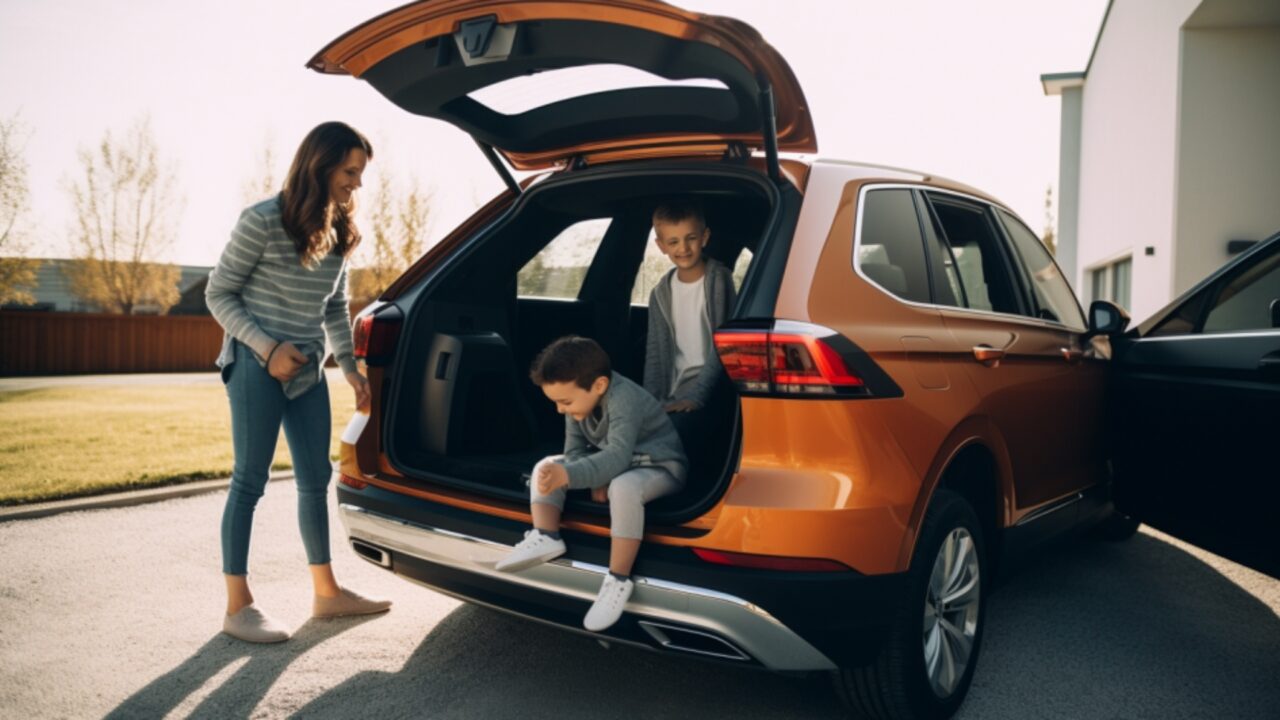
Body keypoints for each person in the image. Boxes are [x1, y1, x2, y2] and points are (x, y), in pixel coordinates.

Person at [206, 121, 390, 644]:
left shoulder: (339, 232)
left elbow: (333, 307)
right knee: (250, 480)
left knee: (315, 478)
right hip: (253, 363)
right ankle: (238, 606)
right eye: (350, 171)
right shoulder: (262, 220)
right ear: (321, 164)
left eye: (360, 174)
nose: (356, 183)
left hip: (308, 370)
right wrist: (267, 350)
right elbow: (219, 294)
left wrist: (350, 368)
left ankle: (327, 593)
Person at [495, 336, 687, 632]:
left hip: (659, 465)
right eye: (557, 402)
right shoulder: (578, 405)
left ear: (598, 385)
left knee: (623, 488)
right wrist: (585, 473)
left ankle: (618, 581)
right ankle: (545, 535)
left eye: (565, 402)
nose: (561, 410)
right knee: (546, 465)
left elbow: (618, 455)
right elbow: (574, 451)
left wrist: (578, 475)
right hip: (618, 462)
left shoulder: (625, 399)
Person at [643, 199, 737, 416]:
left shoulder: (719, 281)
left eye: (691, 238)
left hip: (710, 389)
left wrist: (697, 397)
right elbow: (655, 352)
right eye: (673, 242)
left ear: (704, 238)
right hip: (673, 389)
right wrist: (650, 402)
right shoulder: (660, 293)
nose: (683, 248)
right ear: (662, 246)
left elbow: (724, 347)